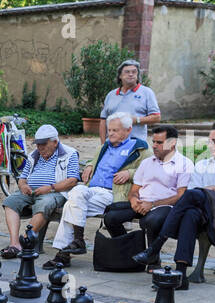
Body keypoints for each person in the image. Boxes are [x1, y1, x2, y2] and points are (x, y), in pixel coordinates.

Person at [132, 119, 215, 287]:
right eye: (209, 140)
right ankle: (181, 275)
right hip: (202, 212)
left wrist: (214, 190)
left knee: (195, 197)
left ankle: (155, 248)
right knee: (190, 214)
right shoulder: (202, 164)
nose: (209, 145)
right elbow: (192, 196)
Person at [45, 112, 145, 268]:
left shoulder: (140, 148)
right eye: (109, 130)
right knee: (76, 194)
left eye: (115, 130)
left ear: (128, 130)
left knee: (70, 206)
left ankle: (63, 254)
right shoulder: (105, 145)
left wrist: (129, 173)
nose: (110, 133)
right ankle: (78, 241)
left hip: (113, 194)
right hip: (90, 190)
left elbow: (152, 171)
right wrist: (90, 165)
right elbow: (94, 160)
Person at [102, 123, 194, 262]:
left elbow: (181, 195)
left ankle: (153, 259)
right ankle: (130, 253)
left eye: (159, 142)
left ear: (172, 143)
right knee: (111, 218)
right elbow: (135, 189)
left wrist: (152, 204)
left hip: (166, 206)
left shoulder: (184, 164)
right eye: (154, 142)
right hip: (141, 203)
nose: (154, 146)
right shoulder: (147, 162)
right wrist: (133, 200)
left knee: (151, 221)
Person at [0, 124, 80, 258]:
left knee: (44, 204)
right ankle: (14, 244)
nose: (40, 147)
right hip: (32, 192)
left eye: (43, 144)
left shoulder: (69, 154)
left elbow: (72, 180)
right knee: (10, 202)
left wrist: (51, 187)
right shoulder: (34, 155)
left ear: (55, 142)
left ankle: (24, 241)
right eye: (38, 144)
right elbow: (22, 178)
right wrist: (23, 185)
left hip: (54, 193)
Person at [99, 59, 160, 143]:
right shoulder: (111, 95)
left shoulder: (147, 92)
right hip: (112, 144)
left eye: (134, 72)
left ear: (137, 75)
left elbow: (156, 117)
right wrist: (103, 144)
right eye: (127, 72)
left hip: (135, 145)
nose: (131, 74)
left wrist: (137, 120)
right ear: (120, 75)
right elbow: (103, 121)